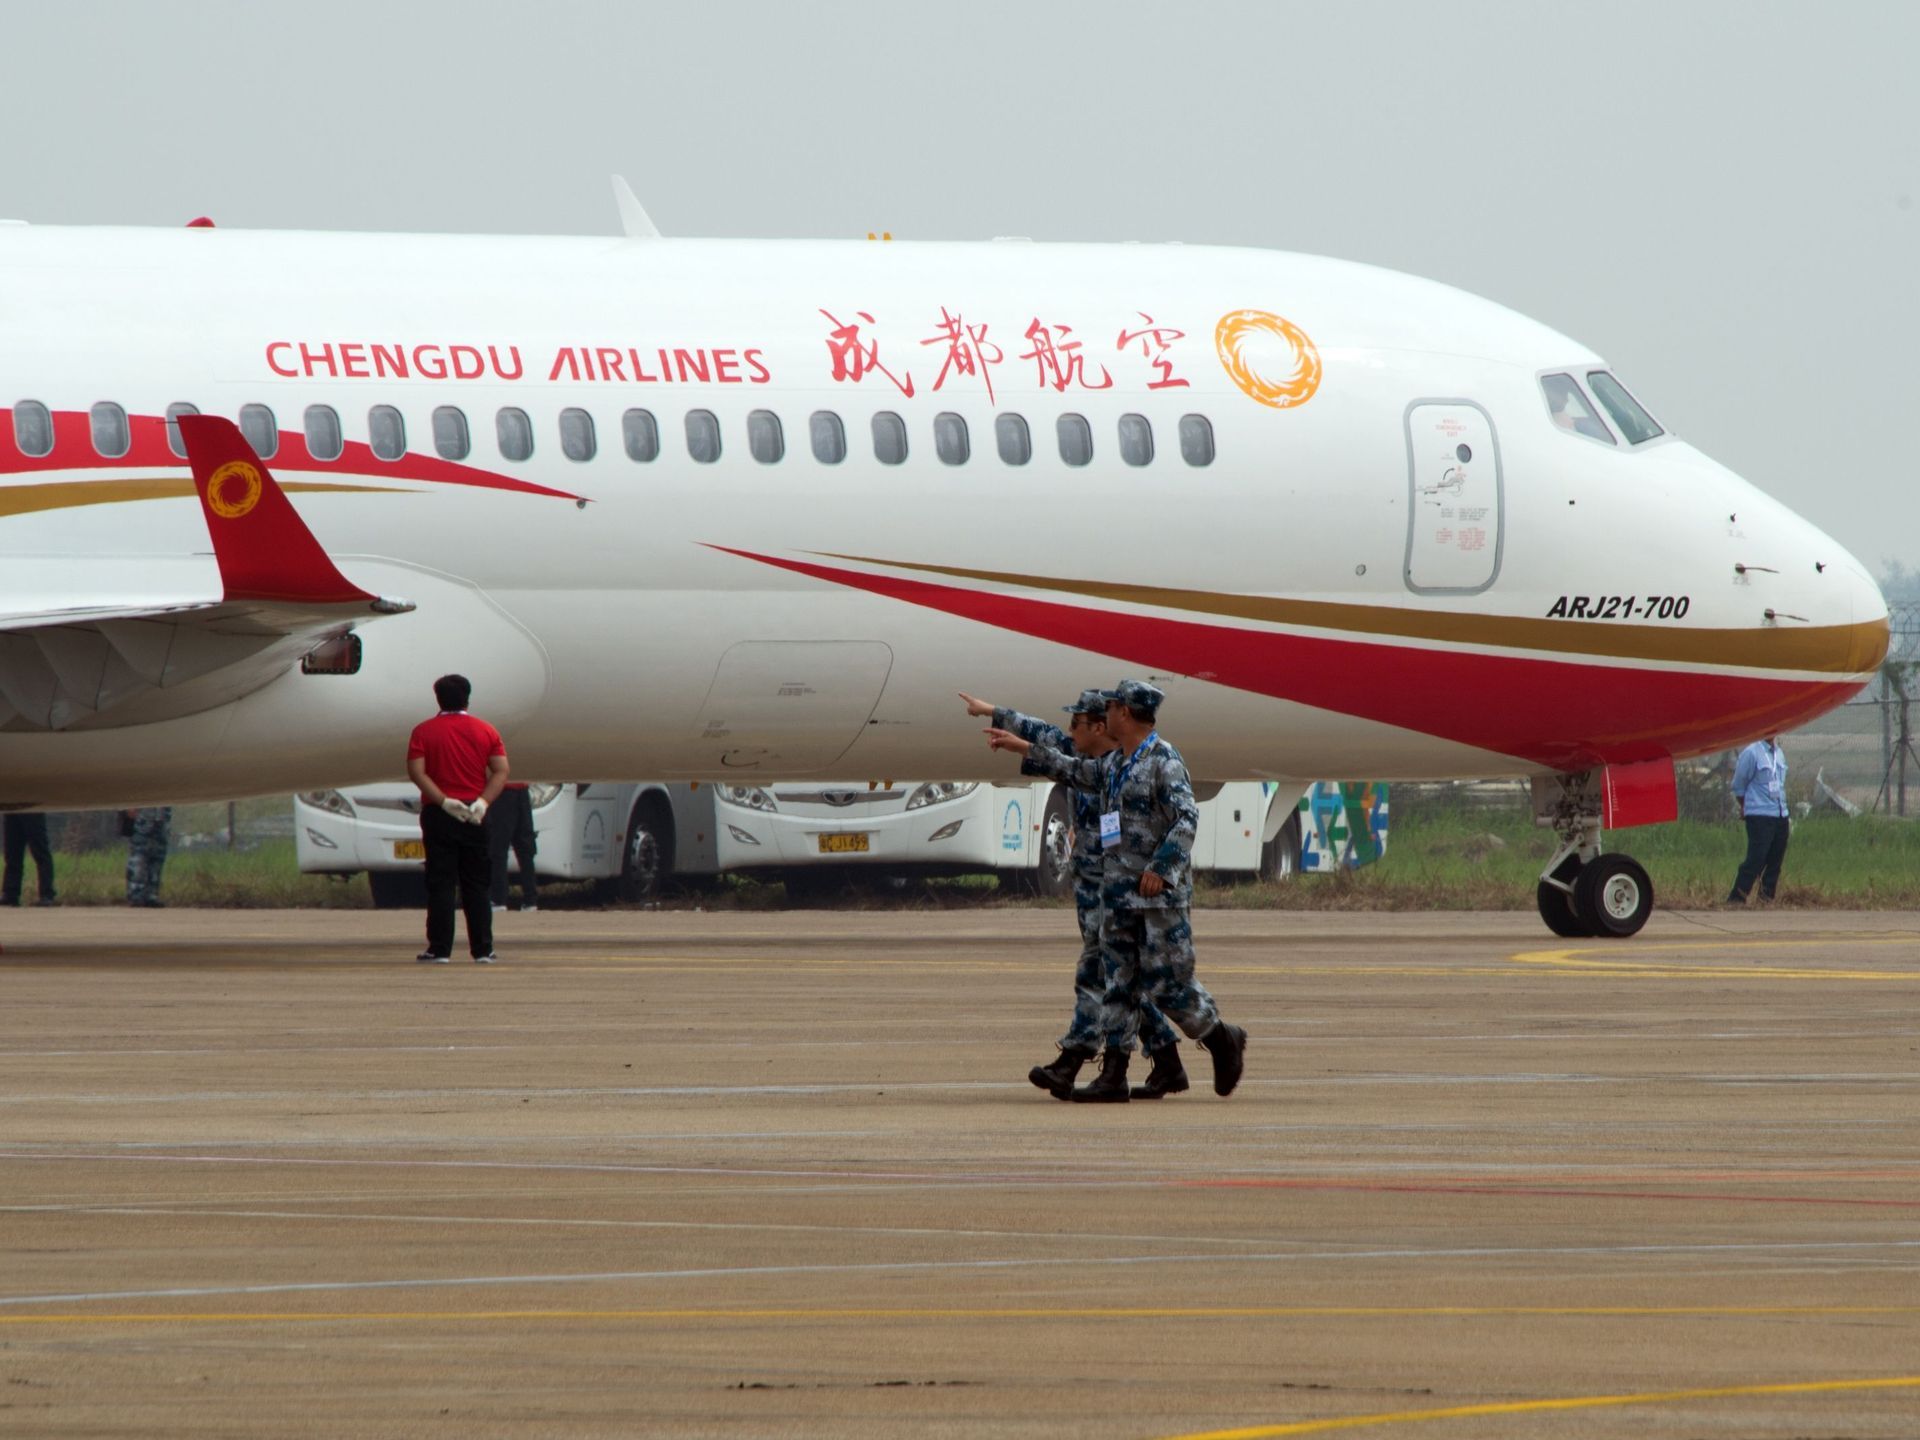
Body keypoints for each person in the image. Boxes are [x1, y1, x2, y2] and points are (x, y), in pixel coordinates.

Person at [987, 679, 1247, 1102]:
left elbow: (1186, 818)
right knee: (1119, 985)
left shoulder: (1164, 761)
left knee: (1168, 986)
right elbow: (1074, 769)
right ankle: (1114, 1074)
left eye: (1110, 708)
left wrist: (1162, 869)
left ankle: (1221, 1037)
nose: (1104, 715)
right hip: (1118, 893)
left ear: (1125, 714)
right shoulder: (1115, 764)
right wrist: (1023, 748)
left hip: (1158, 897)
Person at [960, 687, 1188, 1100]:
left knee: (1099, 973)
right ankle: (1167, 1057)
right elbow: (1043, 735)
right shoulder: (1080, 755)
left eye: (1077, 722)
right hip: (1090, 882)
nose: (1068, 731)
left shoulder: (1124, 767)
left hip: (1116, 886)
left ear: (1102, 726)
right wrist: (993, 711)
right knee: (1121, 979)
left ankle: (1075, 1057)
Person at [406, 674, 510, 963]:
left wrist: (442, 801)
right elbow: (501, 770)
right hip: (474, 814)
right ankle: (483, 949)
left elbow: (417, 771)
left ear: (438, 698)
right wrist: (482, 801)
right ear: (468, 697)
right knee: (477, 883)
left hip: (440, 813)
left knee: (441, 882)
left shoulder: (424, 732)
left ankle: (439, 948)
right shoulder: (486, 731)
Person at [1726, 735, 1790, 904]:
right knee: (1756, 858)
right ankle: (1737, 897)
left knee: (1775, 859)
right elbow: (1739, 785)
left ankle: (1766, 898)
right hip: (1760, 814)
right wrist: (1746, 806)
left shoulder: (1779, 753)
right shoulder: (1752, 752)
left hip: (1780, 813)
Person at [487, 781, 539, 912]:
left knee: (498, 847)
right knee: (525, 848)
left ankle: (499, 898)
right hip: (522, 790)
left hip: (502, 790)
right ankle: (530, 899)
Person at [1, 812, 56, 906]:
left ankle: (46, 894)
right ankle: (10, 893)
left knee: (40, 852)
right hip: (12, 809)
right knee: (12, 854)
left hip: (32, 809)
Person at [124, 807, 171, 907]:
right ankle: (136, 894)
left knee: (157, 857)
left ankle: (151, 895)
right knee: (138, 858)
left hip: (161, 821)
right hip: (142, 820)